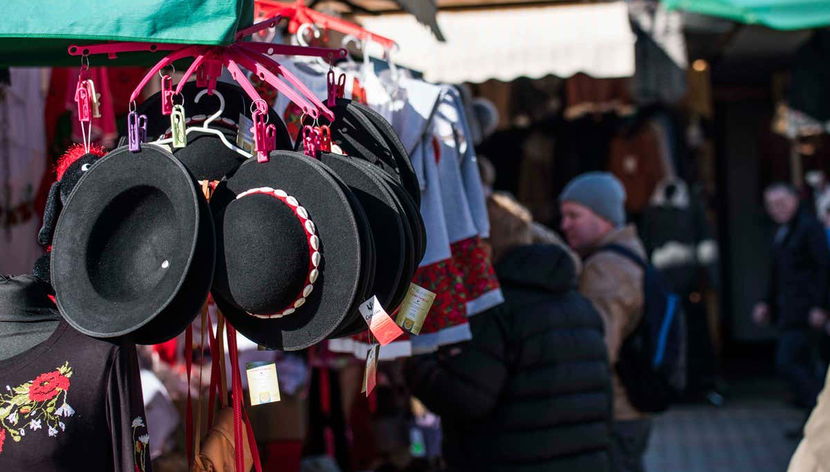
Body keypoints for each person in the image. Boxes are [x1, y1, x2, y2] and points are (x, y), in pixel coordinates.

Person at [404, 192, 613, 472]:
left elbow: (466, 398)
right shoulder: (579, 304)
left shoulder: (495, 311)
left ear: (484, 249)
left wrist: (417, 362)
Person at [559, 172, 650, 472]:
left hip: (615, 412)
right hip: (627, 409)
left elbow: (597, 352)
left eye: (575, 215)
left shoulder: (606, 270)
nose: (565, 225)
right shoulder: (626, 253)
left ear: (604, 217)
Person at [753, 183, 830, 414]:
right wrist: (766, 302)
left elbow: (823, 268)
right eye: (771, 206)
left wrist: (821, 305)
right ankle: (814, 419)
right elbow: (776, 272)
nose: (777, 209)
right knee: (802, 363)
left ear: (794, 200)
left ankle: (820, 414)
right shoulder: (782, 231)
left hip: (806, 310)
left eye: (781, 203)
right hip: (790, 308)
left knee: (788, 361)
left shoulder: (809, 228)